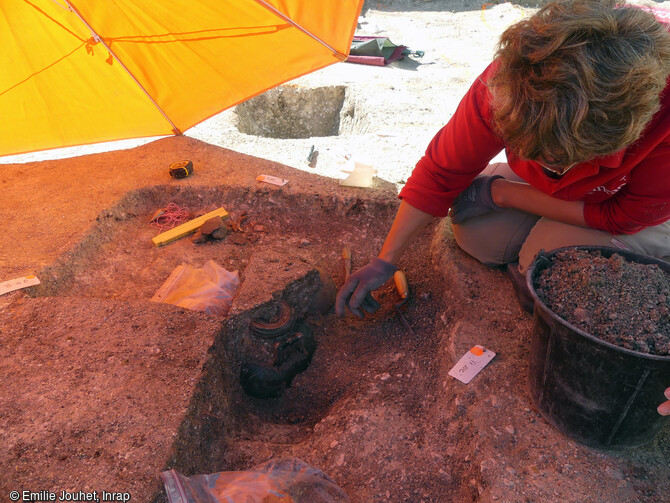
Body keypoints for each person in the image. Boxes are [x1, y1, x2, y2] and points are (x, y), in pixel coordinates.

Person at [335, 0, 670, 416]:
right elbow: (441, 171)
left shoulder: (663, 111)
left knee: (546, 265)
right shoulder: (512, 83)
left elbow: (624, 216)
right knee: (478, 236)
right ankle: (540, 217)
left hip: (642, 207)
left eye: (563, 162)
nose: (556, 173)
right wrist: (386, 260)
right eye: (544, 159)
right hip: (583, 195)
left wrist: (503, 194)